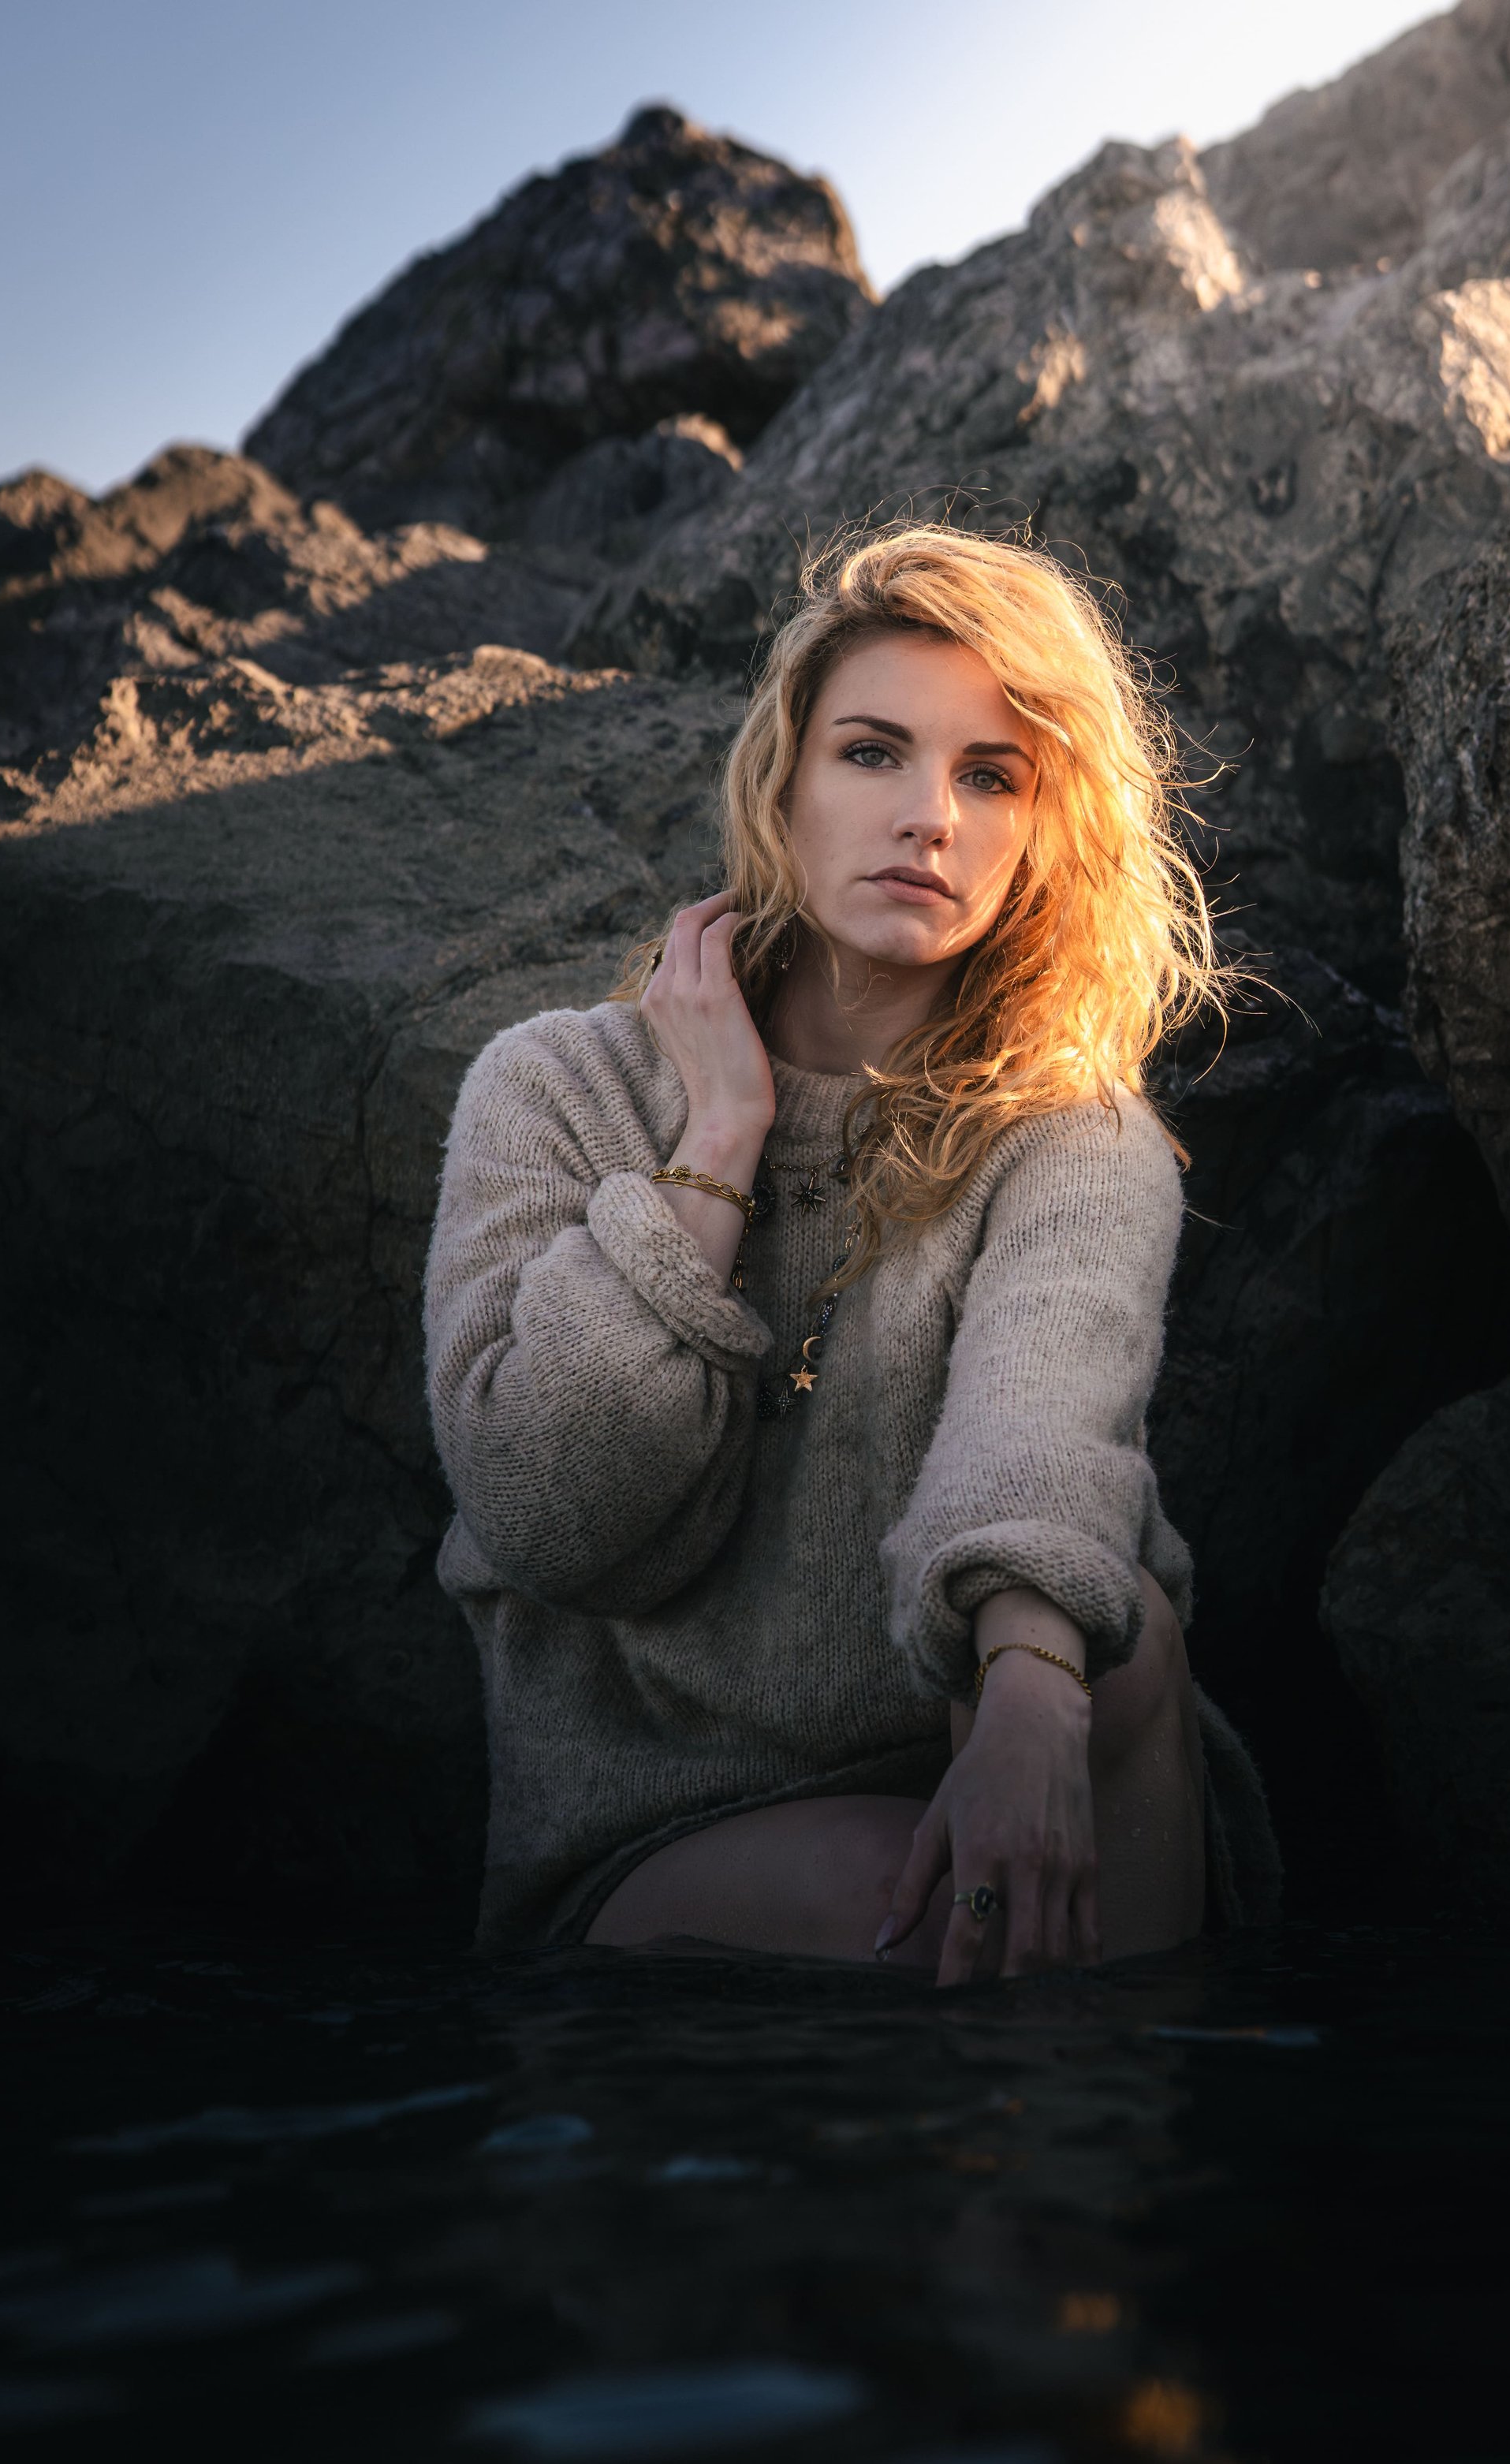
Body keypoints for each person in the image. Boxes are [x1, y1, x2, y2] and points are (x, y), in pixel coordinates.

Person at [424, 523, 1278, 1985]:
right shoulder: (555, 1087)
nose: (930, 816)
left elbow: (1046, 1412)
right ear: (785, 782)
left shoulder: (1073, 1133)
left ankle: (1063, 2178)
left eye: (990, 775)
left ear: (1042, 831)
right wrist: (719, 1142)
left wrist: (1026, 1679)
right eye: (873, 752)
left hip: (1013, 1741)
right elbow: (548, 1512)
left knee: (1113, 1633)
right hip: (662, 1811)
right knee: (914, 1893)